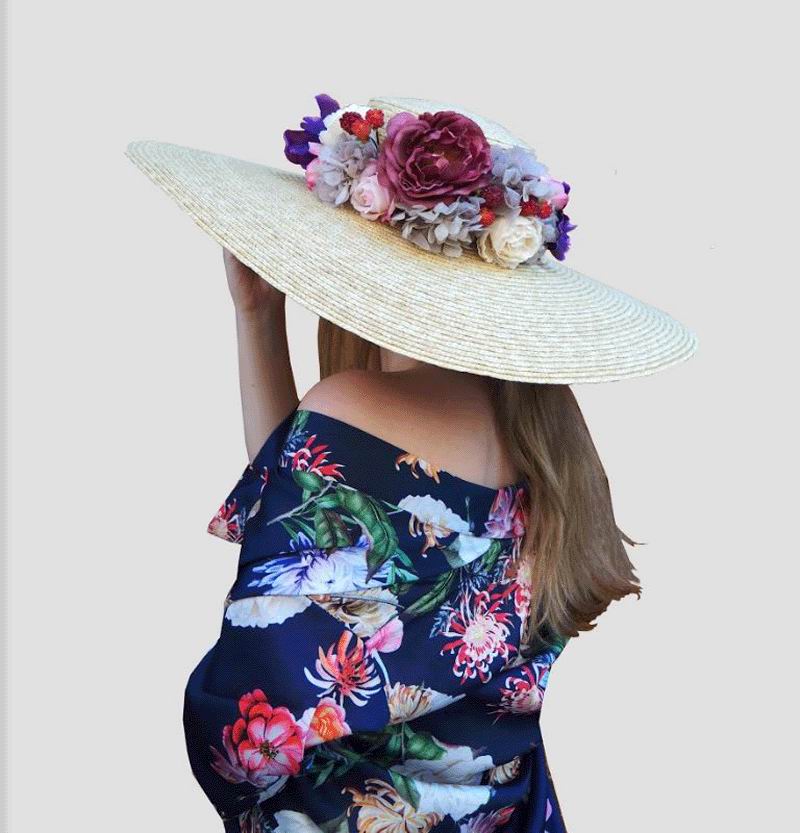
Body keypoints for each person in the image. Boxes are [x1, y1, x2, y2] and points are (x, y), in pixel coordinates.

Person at [128, 94, 697, 833]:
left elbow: (257, 686)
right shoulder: (551, 446)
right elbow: (304, 501)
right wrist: (258, 317)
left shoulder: (351, 401)